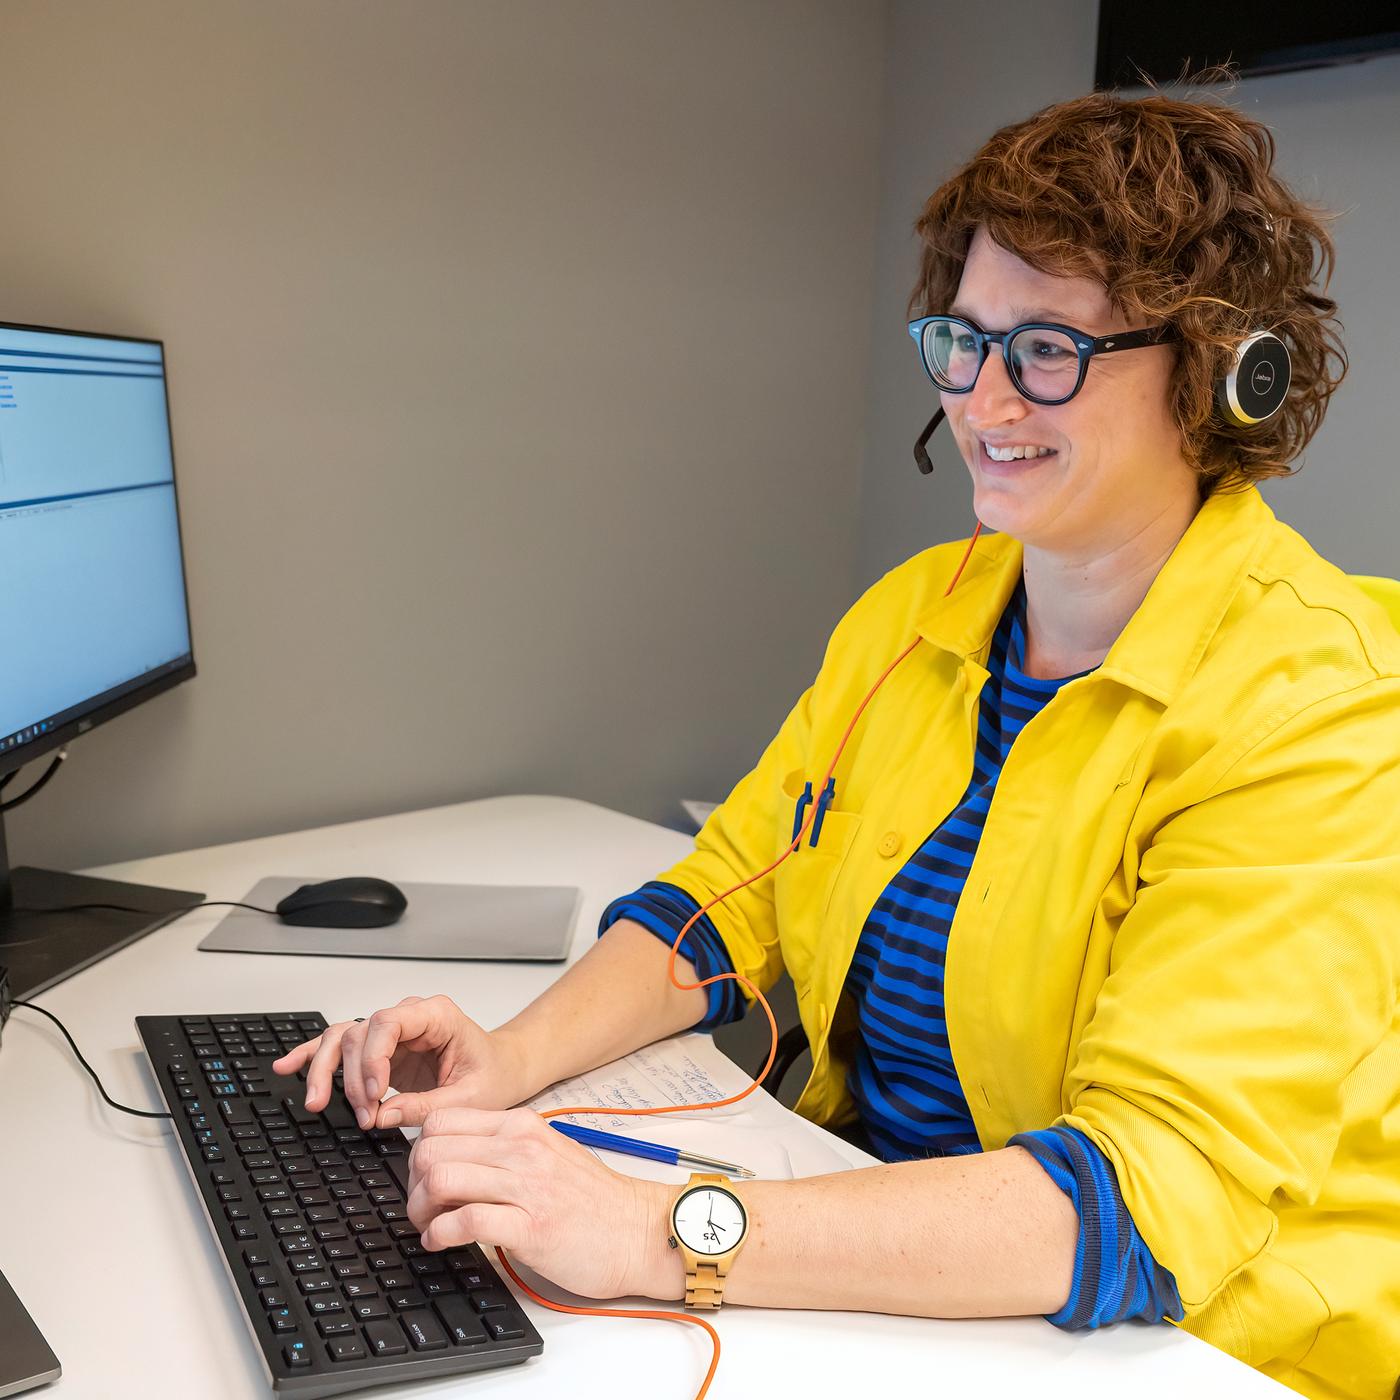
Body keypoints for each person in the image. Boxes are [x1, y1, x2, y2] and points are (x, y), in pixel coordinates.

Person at [274, 86, 1400, 1400]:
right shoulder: (920, 616)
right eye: (963, 341)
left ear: (1220, 371)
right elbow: (725, 896)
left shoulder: (1325, 702)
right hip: (899, 1265)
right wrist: (507, 1061)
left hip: (1190, 1344)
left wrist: (661, 1230)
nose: (985, 398)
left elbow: (1146, 1204)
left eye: (1049, 350)